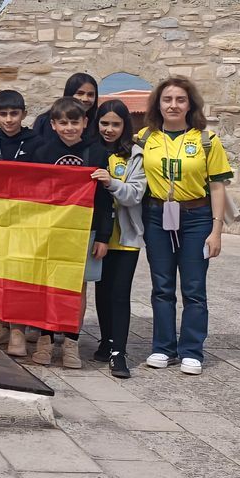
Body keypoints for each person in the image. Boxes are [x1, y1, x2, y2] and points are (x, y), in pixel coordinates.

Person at [137, 76, 232, 376]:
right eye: (167, 100)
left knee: (194, 287)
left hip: (196, 218)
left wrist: (216, 230)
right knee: (161, 287)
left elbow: (217, 186)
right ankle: (163, 347)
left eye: (180, 100)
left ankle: (191, 350)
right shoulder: (144, 138)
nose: (173, 105)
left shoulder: (206, 140)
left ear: (190, 104)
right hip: (157, 217)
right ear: (158, 104)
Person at [27, 97, 115, 369]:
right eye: (63, 122)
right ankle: (45, 338)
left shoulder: (98, 153)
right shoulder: (41, 152)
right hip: (50, 231)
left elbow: (104, 200)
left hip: (85, 231)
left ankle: (71, 342)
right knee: (47, 287)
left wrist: (103, 236)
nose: (69, 128)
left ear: (85, 122)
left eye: (74, 122)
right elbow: (31, 194)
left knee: (78, 289)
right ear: (53, 124)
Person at [0, 89, 40, 355]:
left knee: (21, 275)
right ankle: (1, 324)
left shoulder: (37, 142)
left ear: (24, 114)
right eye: (2, 114)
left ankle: (19, 331)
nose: (8, 119)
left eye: (14, 114)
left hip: (27, 216)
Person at [89, 99, 146, 378]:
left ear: (125, 126)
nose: (109, 129)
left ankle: (119, 352)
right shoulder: (91, 150)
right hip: (97, 235)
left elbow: (135, 194)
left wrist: (111, 183)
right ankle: (105, 339)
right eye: (104, 123)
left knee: (120, 292)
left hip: (125, 235)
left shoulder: (135, 155)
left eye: (115, 124)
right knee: (102, 290)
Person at [32, 73, 99, 145]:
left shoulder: (98, 122)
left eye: (90, 95)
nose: (85, 99)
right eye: (80, 93)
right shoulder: (44, 121)